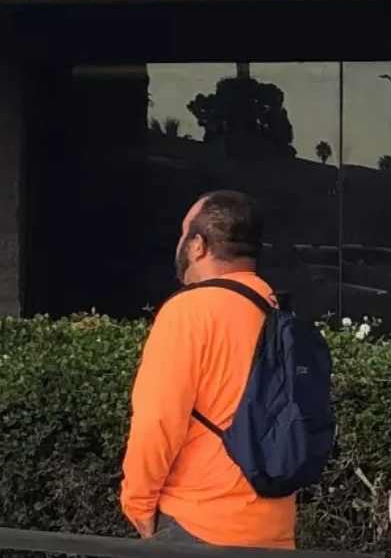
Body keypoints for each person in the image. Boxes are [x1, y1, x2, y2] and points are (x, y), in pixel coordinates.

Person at [121, 191, 297, 548]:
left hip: (198, 524)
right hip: (275, 529)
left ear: (198, 245)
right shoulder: (275, 313)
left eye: (183, 234)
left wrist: (138, 504)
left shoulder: (189, 312)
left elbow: (157, 419)